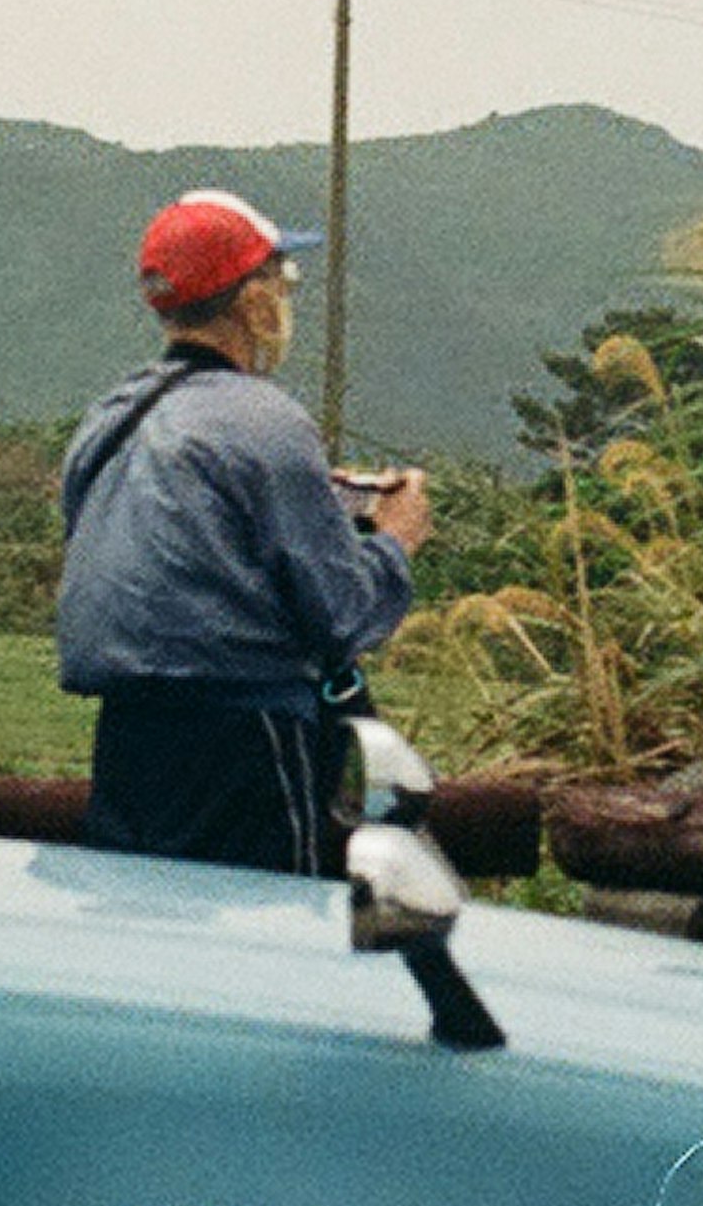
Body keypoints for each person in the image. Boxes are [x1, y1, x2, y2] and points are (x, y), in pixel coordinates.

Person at [57, 189, 430, 868]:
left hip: (126, 740)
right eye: (279, 280)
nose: (285, 299)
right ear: (251, 299)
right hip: (245, 740)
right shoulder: (267, 421)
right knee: (264, 946)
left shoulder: (109, 418)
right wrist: (395, 540)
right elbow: (342, 615)